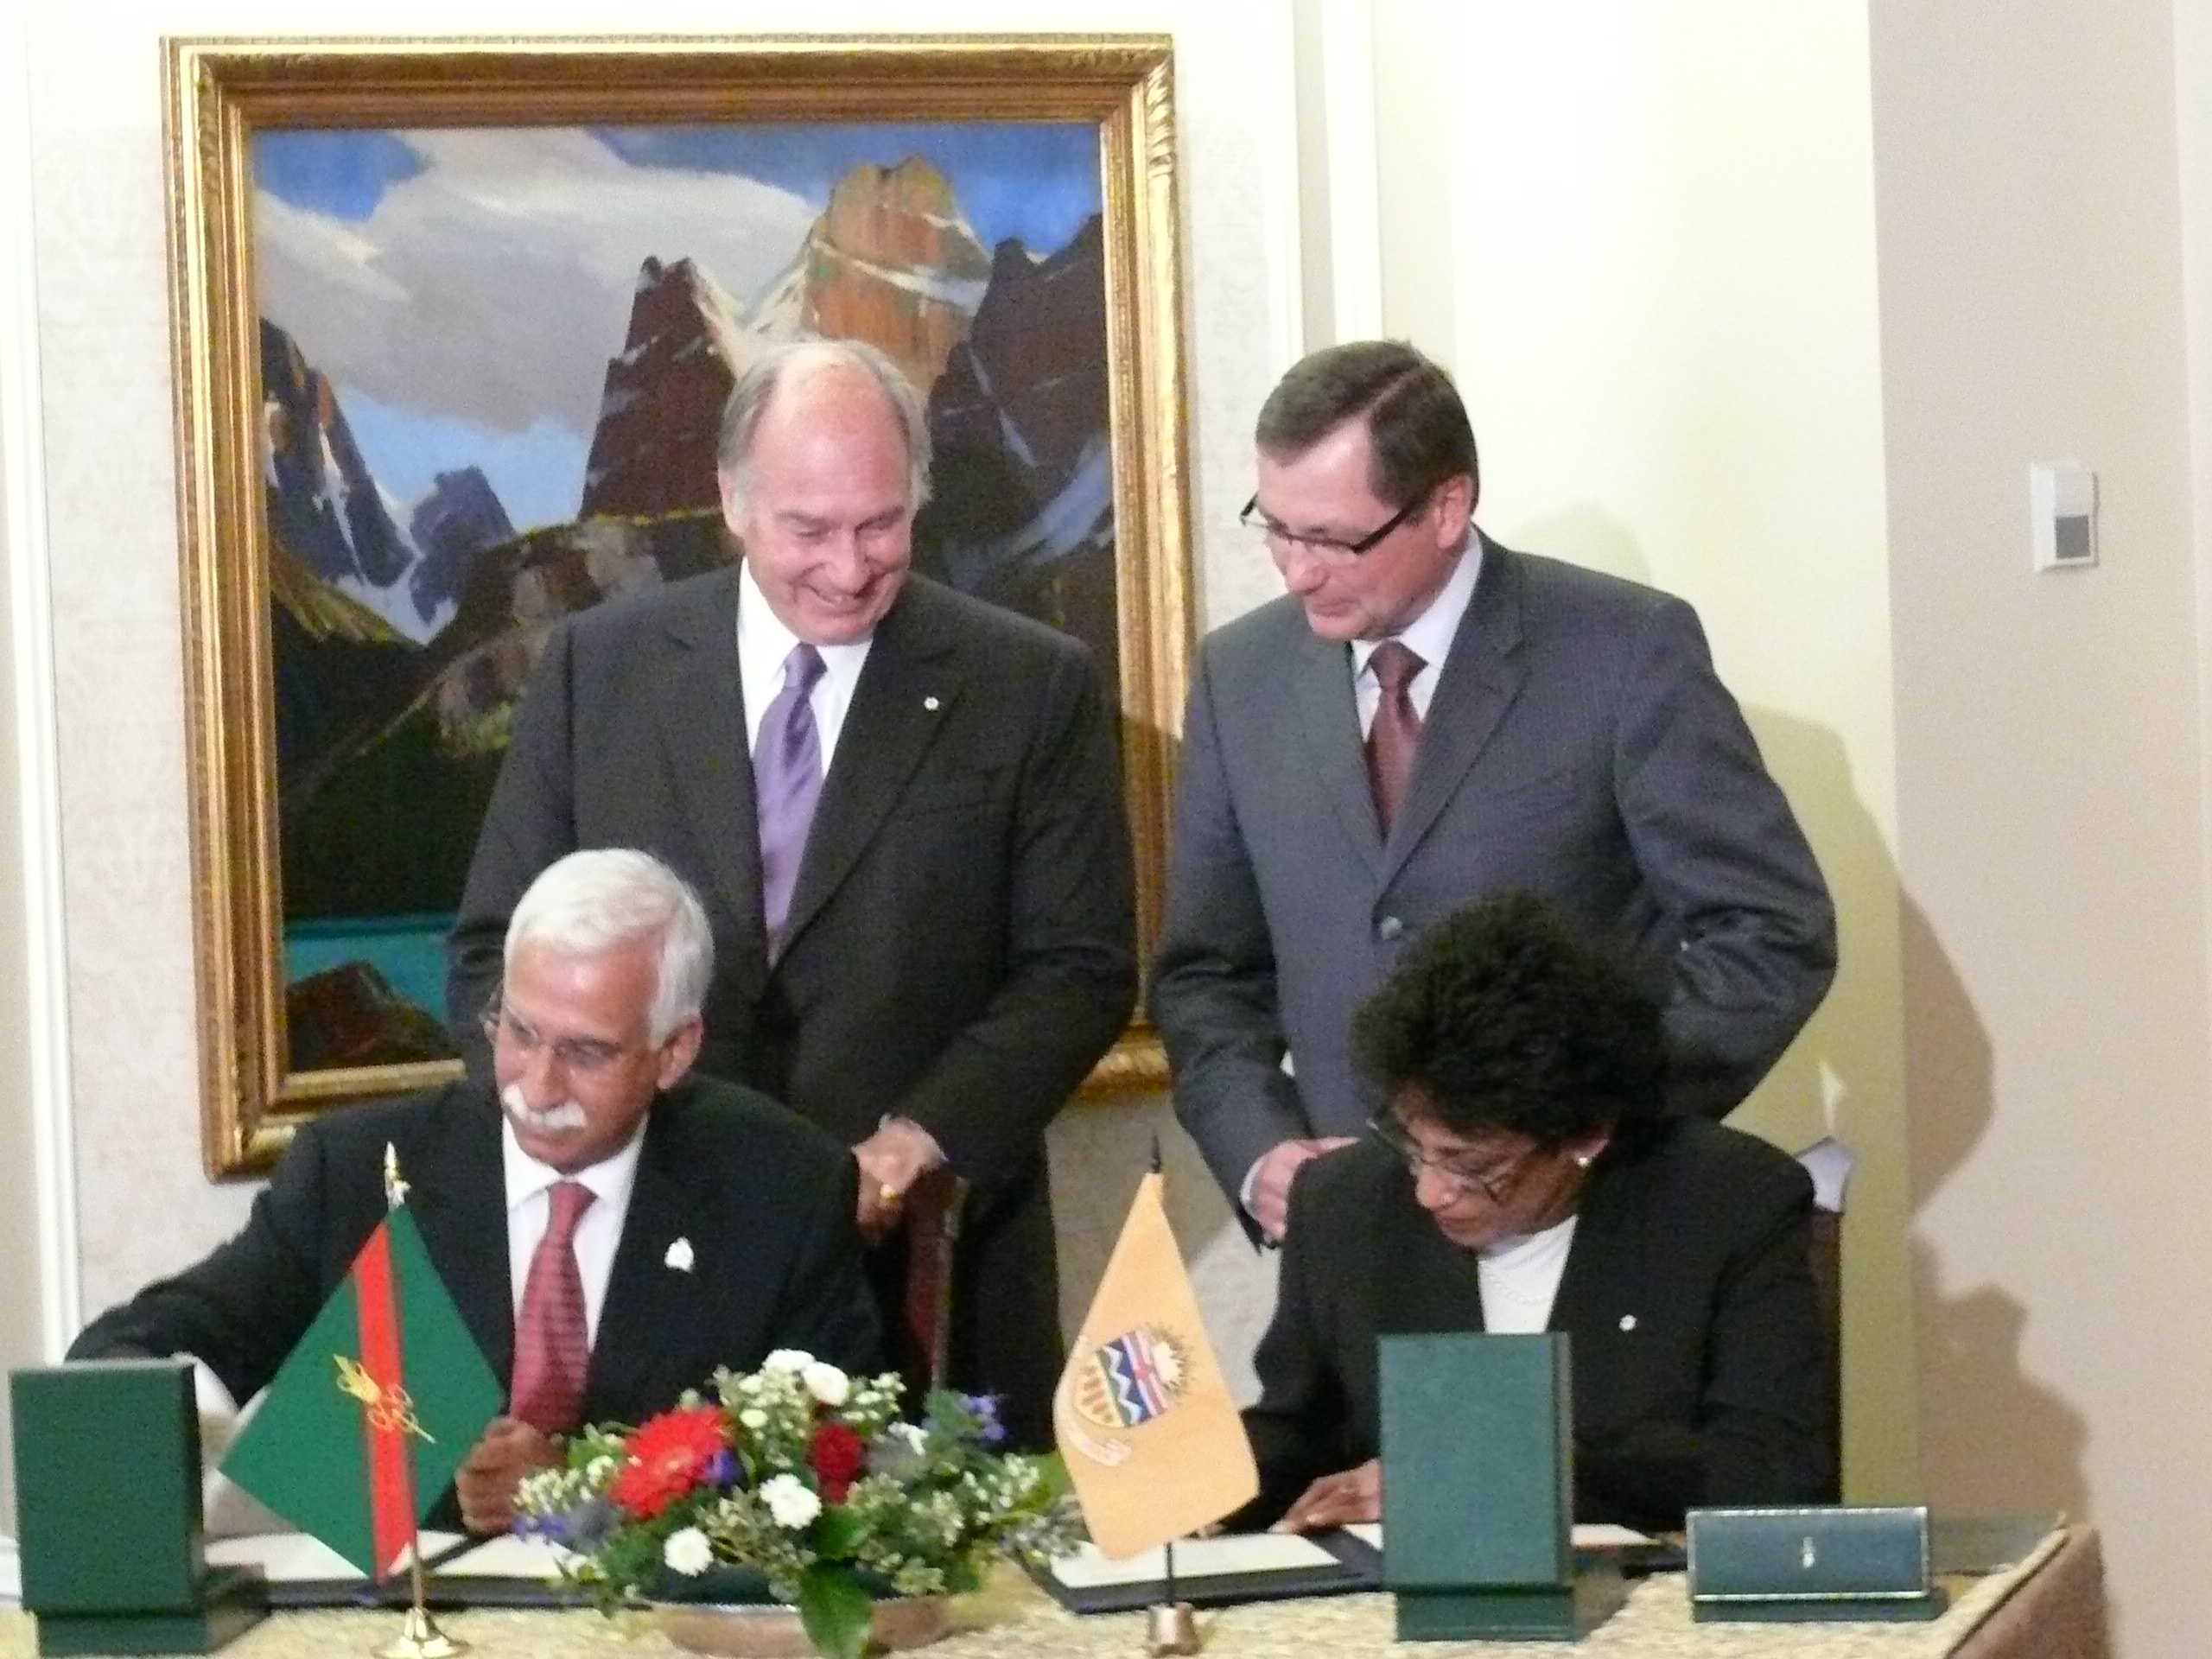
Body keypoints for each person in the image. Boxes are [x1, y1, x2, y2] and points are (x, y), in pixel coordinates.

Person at [445, 340, 1136, 1447]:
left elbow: (1080, 968)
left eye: (881, 525)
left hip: (925, 1266)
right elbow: (491, 947)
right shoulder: (595, 671)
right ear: (731, 501)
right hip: (650, 1258)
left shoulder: (1028, 686)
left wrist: (920, 1139)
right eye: (808, 530)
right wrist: (590, 1128)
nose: (850, 567)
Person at [1151, 340, 1836, 1241]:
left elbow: (1769, 936)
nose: (1296, 569)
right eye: (1275, 527)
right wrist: (1258, 1154)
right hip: (1353, 1243)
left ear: (1445, 506)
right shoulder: (1241, 676)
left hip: (1589, 1229)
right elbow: (1208, 973)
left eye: (1330, 538)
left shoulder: (1623, 653)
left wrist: (1572, 1130)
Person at [72, 849, 877, 1532]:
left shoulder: (780, 1186)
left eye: (586, 1054)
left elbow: (844, 1459)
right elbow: (142, 1347)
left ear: (674, 1051)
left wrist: (589, 1485)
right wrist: (191, 1418)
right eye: (519, 1031)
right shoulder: (356, 1171)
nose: (537, 1083)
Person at [1238, 891, 1835, 1536]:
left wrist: (1475, 1479)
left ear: (1585, 1137)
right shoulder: (1344, 1203)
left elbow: (1770, 1471)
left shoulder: (1729, 1203)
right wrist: (1180, 1480)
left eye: (1472, 1166)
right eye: (1414, 1147)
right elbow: (1296, 1433)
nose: (1429, 1192)